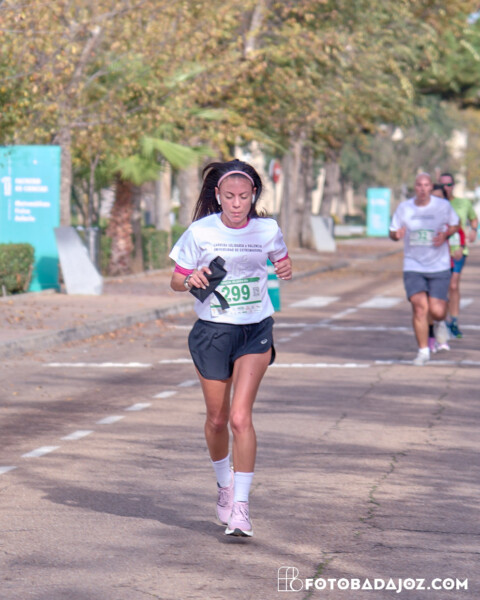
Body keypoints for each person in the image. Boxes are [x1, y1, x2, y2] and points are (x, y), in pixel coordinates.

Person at [169, 159, 292, 537]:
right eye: (229, 197)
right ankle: (224, 485)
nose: (237, 204)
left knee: (240, 418)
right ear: (218, 196)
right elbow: (176, 280)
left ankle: (241, 507)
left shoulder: (267, 229)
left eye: (243, 196)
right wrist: (191, 278)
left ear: (253, 194)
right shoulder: (200, 231)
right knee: (218, 419)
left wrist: (284, 268)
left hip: (254, 329)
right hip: (212, 332)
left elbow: (281, 259)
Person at [389, 172, 459, 366]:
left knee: (437, 311)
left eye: (426, 185)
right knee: (420, 308)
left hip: (439, 265)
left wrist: (446, 235)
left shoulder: (442, 206)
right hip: (413, 265)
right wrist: (396, 235)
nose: (422, 189)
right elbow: (392, 231)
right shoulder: (404, 208)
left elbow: (455, 225)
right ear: (415, 187)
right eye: (419, 185)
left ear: (431, 187)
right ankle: (423, 351)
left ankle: (440, 322)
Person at [438, 172, 478, 339]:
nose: (446, 188)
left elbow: (473, 219)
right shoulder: (434, 204)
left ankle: (453, 321)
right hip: (438, 251)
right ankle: (442, 320)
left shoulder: (463, 203)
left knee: (453, 285)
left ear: (453, 186)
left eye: (449, 184)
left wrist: (473, 231)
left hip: (458, 250)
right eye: (442, 185)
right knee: (441, 287)